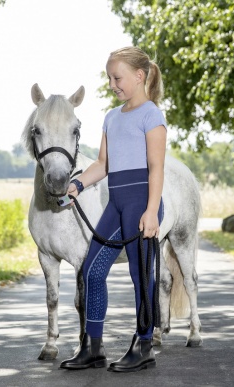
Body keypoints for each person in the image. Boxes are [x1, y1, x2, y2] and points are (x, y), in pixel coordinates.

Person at [59, 46, 167, 373]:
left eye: (116, 77)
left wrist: (150, 211)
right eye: (108, 77)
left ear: (139, 75)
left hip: (141, 204)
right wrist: (78, 184)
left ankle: (144, 345)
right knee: (92, 270)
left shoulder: (152, 115)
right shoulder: (110, 117)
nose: (111, 84)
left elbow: (156, 168)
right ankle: (93, 348)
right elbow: (103, 164)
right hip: (116, 203)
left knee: (139, 275)